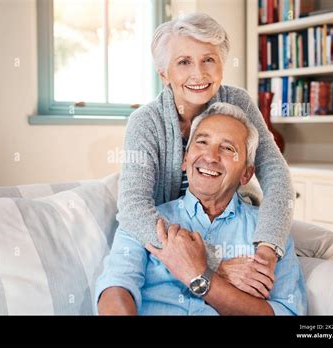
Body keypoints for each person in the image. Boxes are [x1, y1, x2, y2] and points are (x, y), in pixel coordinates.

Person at [117, 13, 298, 295]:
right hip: (172, 230)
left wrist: (266, 253)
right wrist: (209, 264)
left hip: (233, 220)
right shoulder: (145, 122)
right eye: (184, 62)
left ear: (222, 65)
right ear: (164, 73)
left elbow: (276, 173)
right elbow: (133, 207)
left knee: (319, 242)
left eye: (208, 60)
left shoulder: (237, 101)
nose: (199, 74)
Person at [97, 103, 307, 315]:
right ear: (184, 160)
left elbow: (285, 311)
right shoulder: (145, 221)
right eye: (202, 142)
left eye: (227, 148)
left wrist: (200, 276)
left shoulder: (269, 237)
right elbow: (115, 289)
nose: (211, 156)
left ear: (246, 173)